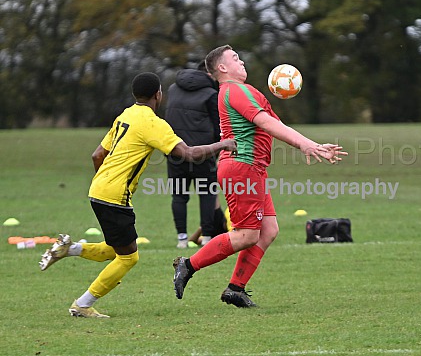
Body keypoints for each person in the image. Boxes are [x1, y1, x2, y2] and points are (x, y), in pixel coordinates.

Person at [39, 72, 236, 318]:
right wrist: (223, 144)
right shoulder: (152, 123)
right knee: (129, 258)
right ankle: (82, 304)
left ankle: (69, 249)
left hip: (98, 189)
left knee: (115, 249)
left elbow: (97, 155)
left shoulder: (126, 114)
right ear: (158, 95)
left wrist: (107, 182)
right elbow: (189, 153)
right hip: (114, 195)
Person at [172, 45, 347, 308]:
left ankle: (235, 289)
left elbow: (276, 124)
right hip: (242, 167)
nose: (241, 61)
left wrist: (311, 144)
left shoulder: (241, 91)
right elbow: (267, 123)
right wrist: (306, 145)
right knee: (247, 235)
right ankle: (187, 265)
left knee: (268, 230)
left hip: (251, 168)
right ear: (221, 68)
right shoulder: (234, 90)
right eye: (234, 58)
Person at [165, 62, 227, 249]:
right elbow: (219, 127)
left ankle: (181, 239)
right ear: (209, 74)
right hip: (203, 152)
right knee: (207, 194)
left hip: (175, 151)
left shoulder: (173, 89)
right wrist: (215, 150)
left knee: (179, 196)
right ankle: (207, 237)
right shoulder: (211, 94)